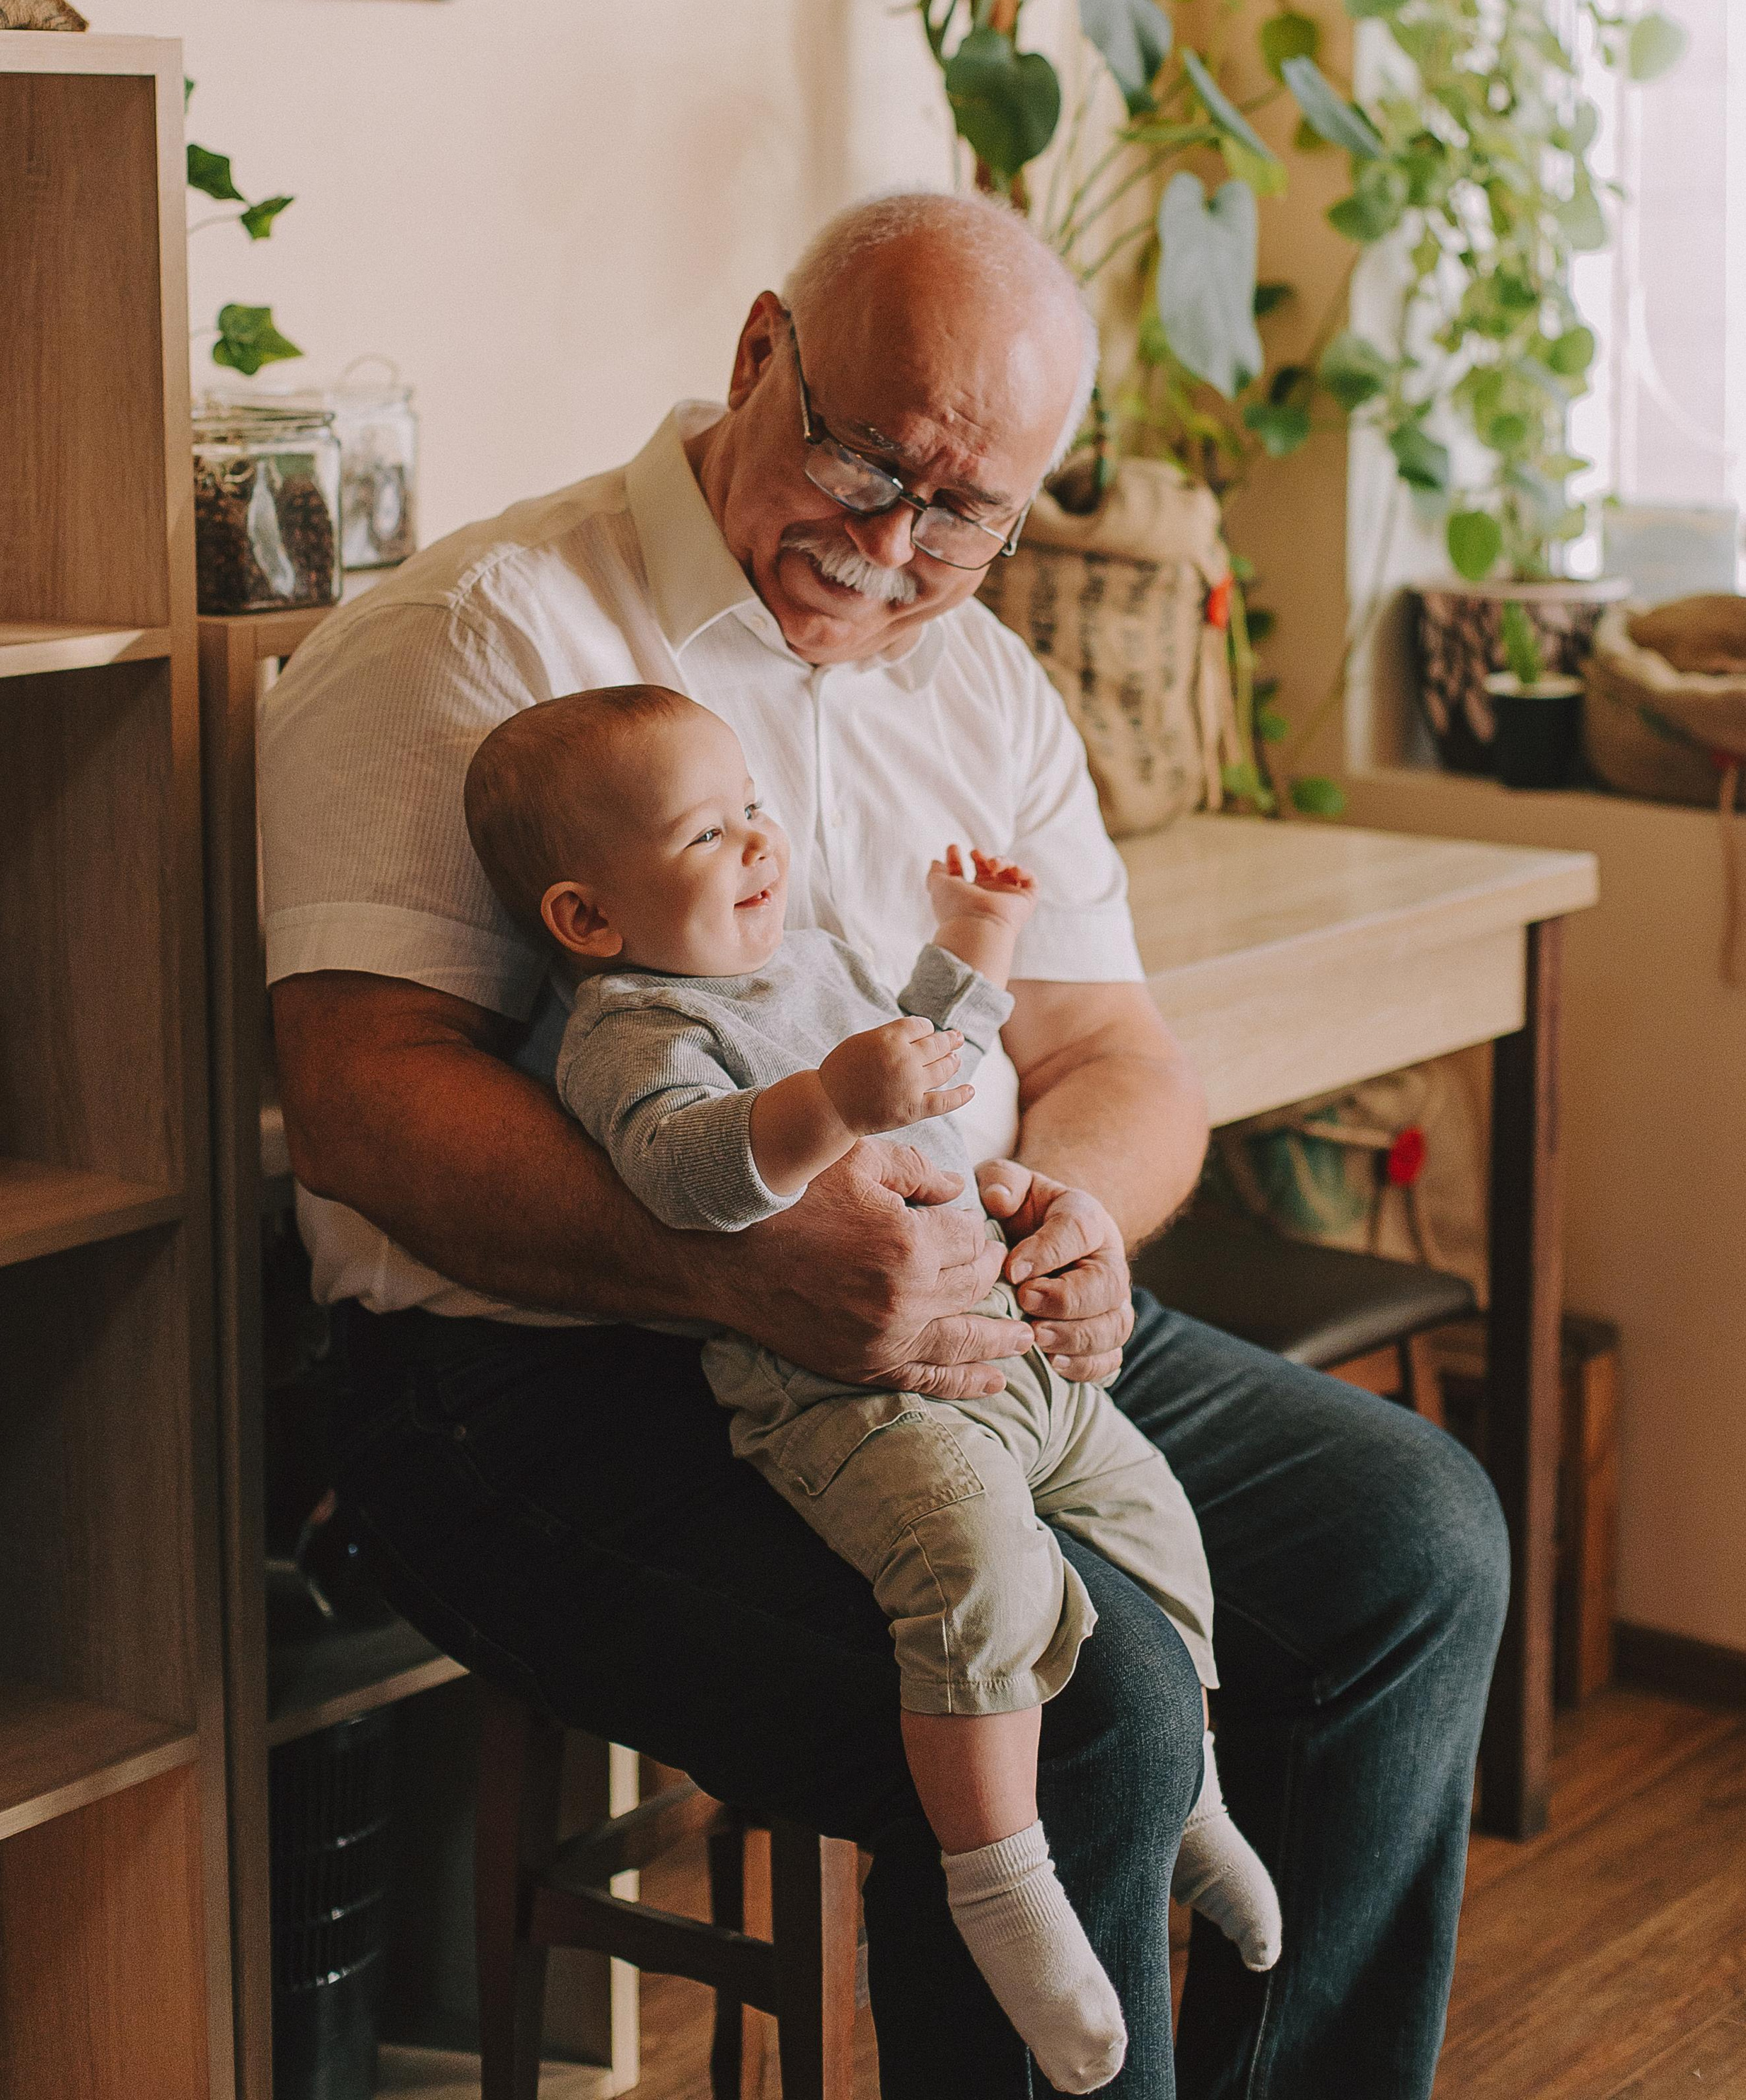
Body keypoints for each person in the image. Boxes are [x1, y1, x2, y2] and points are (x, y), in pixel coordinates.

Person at [263, 189, 1509, 2097]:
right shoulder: (476, 637)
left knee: (1412, 1539)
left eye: (965, 514)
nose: (891, 545)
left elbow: (1116, 1053)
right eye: (864, 463)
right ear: (761, 354)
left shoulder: (979, 678)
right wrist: (748, 1266)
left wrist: (1071, 1222)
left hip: (971, 1330)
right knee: (1090, 1695)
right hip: (548, 1388)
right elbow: (361, 1098)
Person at [462, 687, 1282, 2092]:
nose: (757, 844)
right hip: (843, 1397)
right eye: (708, 832)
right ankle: (997, 1873)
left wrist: (970, 949)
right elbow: (689, 1172)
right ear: (589, 919)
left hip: (986, 1339)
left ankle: (1193, 1796)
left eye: (756, 811)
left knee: (1157, 1518)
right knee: (976, 1577)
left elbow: (929, 1068)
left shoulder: (814, 961)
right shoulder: (631, 1028)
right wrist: (831, 1102)